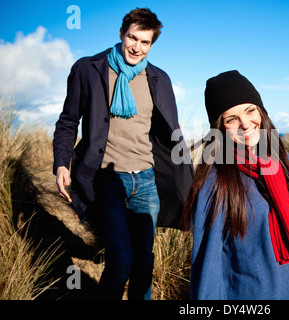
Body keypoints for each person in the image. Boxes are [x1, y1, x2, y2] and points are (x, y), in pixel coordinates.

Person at [53, 8, 193, 300]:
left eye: (145, 42)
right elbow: (68, 121)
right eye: (132, 37)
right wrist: (61, 165)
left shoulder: (159, 79)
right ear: (121, 33)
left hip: (146, 180)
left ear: (152, 45)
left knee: (144, 261)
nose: (136, 47)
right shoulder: (88, 69)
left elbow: (170, 132)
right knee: (120, 261)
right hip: (107, 178)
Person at [181, 70, 289, 300]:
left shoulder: (283, 163)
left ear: (261, 111)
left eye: (250, 110)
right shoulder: (215, 180)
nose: (245, 124)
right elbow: (207, 264)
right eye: (232, 119)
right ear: (220, 127)